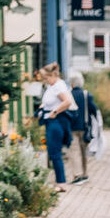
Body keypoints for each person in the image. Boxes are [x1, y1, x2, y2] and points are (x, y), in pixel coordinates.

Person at [37, 63, 77, 192]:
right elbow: (51, 100)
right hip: (51, 121)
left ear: (53, 75)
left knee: (55, 152)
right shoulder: (53, 85)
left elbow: (67, 101)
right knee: (54, 152)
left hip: (56, 122)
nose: (45, 80)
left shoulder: (58, 86)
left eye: (46, 78)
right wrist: (44, 106)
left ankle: (61, 183)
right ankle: (60, 181)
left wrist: (54, 112)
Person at [68, 71, 98, 183]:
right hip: (85, 127)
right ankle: (85, 173)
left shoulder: (68, 94)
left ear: (71, 83)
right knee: (83, 151)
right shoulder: (86, 94)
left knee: (74, 151)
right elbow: (93, 110)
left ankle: (77, 175)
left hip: (72, 127)